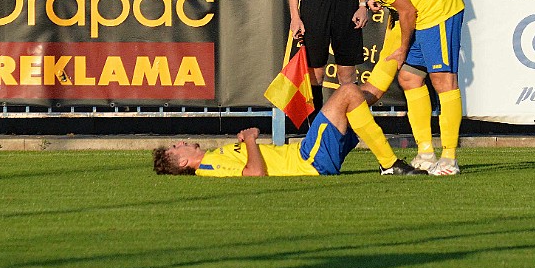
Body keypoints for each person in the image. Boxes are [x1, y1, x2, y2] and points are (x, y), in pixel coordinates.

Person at [307, 0, 466, 176]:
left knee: (443, 81)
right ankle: (425, 153)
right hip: (420, 11)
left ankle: (449, 158)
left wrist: (402, 48)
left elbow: (407, 11)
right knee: (409, 78)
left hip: (436, 8)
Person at [153, 83, 427, 176]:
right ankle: (389, 164)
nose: (183, 142)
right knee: (347, 92)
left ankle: (399, 50)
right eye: (177, 147)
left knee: (363, 93)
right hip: (308, 160)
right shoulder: (208, 168)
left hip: (309, 157)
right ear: (184, 161)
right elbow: (254, 173)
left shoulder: (213, 158)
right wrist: (249, 140)